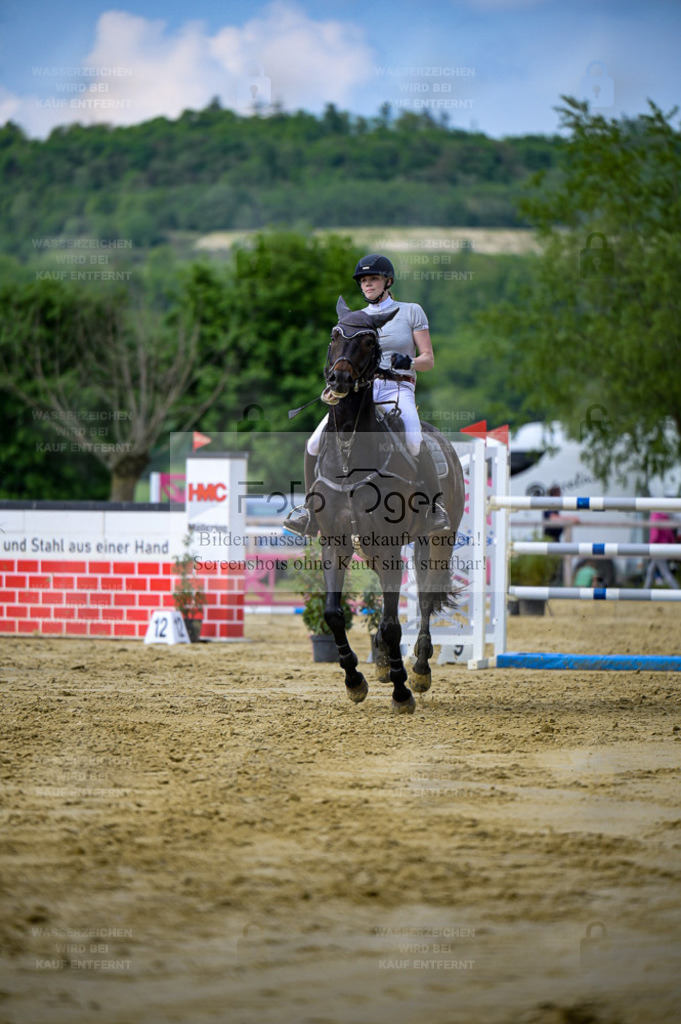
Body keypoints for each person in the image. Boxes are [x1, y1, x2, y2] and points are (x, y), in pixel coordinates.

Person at [284, 253, 450, 537]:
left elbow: (429, 359)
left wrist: (407, 362)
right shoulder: (353, 319)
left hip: (398, 388)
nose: (367, 284)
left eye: (373, 279)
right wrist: (335, 386)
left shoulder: (411, 311)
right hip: (360, 393)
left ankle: (434, 508)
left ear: (388, 281)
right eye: (363, 280)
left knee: (413, 438)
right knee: (313, 442)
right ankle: (310, 510)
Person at [643, 504, 680, 589]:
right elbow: (670, 535)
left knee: (665, 572)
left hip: (657, 548)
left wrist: (650, 545)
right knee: (650, 570)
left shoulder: (654, 517)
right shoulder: (665, 518)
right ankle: (645, 591)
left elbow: (654, 534)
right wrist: (671, 545)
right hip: (665, 547)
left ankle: (677, 590)